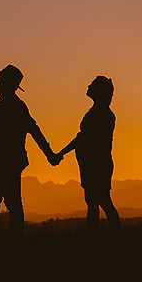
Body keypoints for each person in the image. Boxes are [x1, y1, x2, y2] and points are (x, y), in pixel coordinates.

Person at [0, 64, 61, 235]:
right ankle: (9, 241)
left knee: (0, 202)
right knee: (2, 201)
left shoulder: (13, 106)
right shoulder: (4, 105)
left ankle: (3, 242)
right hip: (6, 162)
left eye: (0, 78)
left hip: (8, 163)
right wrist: (50, 155)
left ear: (6, 83)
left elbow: (33, 130)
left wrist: (49, 154)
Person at [56, 76, 121, 234]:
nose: (88, 86)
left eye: (92, 85)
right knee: (95, 202)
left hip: (97, 165)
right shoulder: (100, 113)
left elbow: (81, 139)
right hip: (93, 164)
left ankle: (109, 237)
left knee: (101, 202)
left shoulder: (101, 114)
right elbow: (82, 139)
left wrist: (59, 154)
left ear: (98, 91)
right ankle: (99, 238)